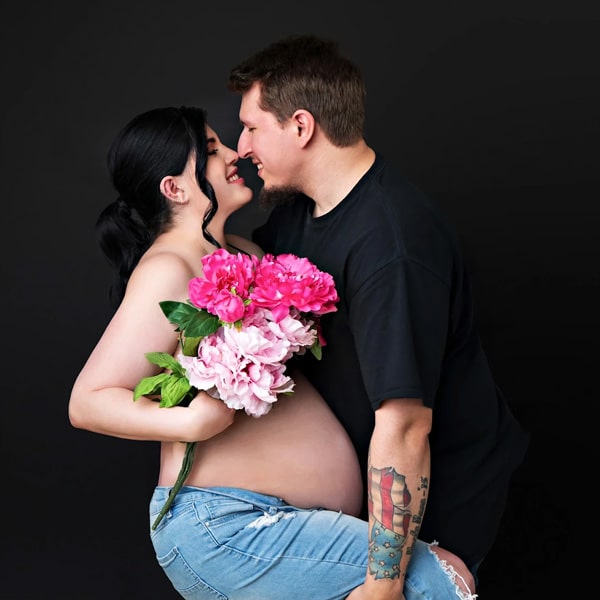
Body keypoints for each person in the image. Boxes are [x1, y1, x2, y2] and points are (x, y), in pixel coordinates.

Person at [69, 105, 476, 600]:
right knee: (437, 584)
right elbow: (87, 400)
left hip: (272, 520)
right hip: (224, 525)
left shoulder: (246, 253)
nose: (235, 153)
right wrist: (190, 423)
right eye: (213, 150)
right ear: (174, 188)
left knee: (448, 572)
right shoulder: (169, 268)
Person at [227, 33, 531, 599]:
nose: (241, 146)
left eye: (251, 126)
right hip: (352, 499)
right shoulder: (296, 214)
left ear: (300, 126)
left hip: (438, 505)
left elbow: (406, 424)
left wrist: (384, 585)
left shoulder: (393, 246)